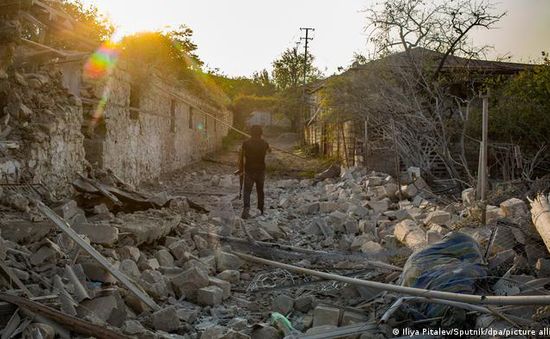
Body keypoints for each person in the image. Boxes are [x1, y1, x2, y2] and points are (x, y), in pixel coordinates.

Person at [238, 125, 270, 219]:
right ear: (261, 133)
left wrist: (241, 169)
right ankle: (260, 209)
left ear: (251, 133)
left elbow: (241, 156)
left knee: (247, 191)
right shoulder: (265, 143)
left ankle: (246, 209)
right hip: (261, 170)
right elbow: (270, 151)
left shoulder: (246, 143)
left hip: (249, 170)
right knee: (260, 191)